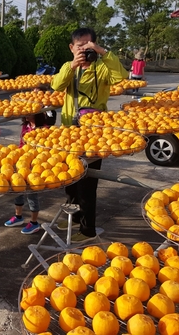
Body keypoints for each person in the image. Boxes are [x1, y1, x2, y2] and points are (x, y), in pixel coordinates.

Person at [50, 27, 128, 243]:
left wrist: (102, 52)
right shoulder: (69, 67)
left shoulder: (101, 68)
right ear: (71, 48)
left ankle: (87, 230)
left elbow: (121, 76)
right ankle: (74, 218)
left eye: (88, 46)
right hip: (69, 133)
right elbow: (56, 85)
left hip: (94, 136)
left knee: (87, 184)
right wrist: (72, 66)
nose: (83, 51)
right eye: (79, 47)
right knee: (71, 180)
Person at [4, 113, 48, 234]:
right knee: (17, 186)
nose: (26, 116)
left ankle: (34, 222)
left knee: (31, 192)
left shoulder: (43, 128)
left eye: (29, 114)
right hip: (22, 160)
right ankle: (18, 216)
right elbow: (21, 143)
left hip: (35, 163)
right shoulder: (26, 125)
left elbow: (45, 148)